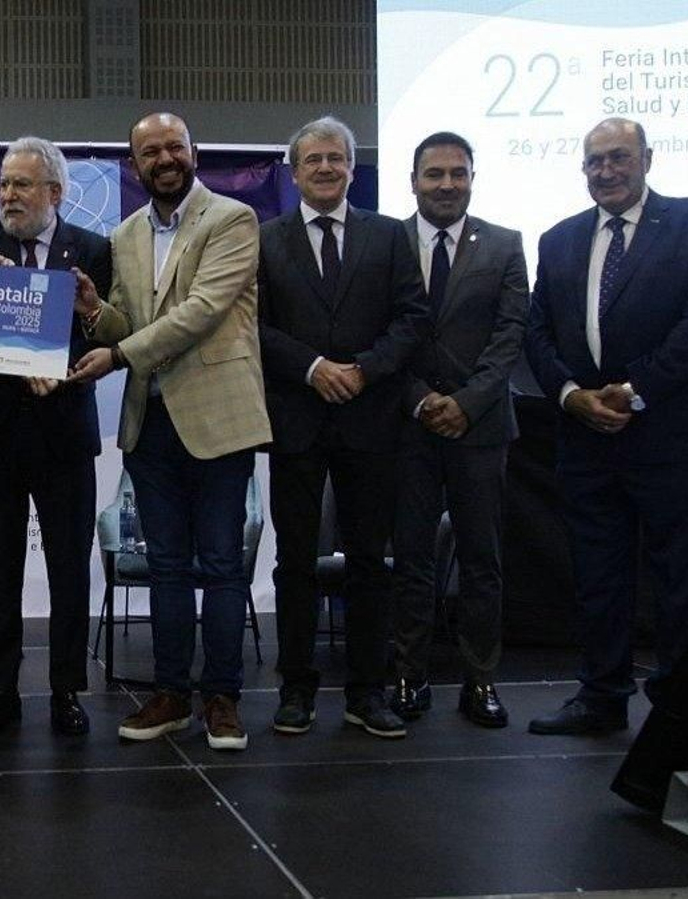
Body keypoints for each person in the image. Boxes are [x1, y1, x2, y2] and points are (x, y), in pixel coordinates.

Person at [522, 117, 688, 735]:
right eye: (595, 162)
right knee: (597, 577)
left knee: (679, 583)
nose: (607, 171)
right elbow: (537, 331)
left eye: (619, 158)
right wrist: (570, 396)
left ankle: (678, 708)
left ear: (647, 159)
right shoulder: (559, 239)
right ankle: (601, 696)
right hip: (587, 439)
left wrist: (631, 391)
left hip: (673, 437)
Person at [70, 112, 271, 750]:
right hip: (149, 421)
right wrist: (94, 313)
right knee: (165, 570)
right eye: (150, 151)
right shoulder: (126, 234)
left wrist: (120, 352)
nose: (164, 158)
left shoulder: (233, 219)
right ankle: (169, 694)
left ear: (193, 153)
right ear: (135, 165)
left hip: (218, 418)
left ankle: (223, 697)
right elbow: (130, 319)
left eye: (174, 147)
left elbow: (202, 311)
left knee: (220, 566)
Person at [256, 116, 428, 739]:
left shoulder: (388, 236)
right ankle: (296, 689)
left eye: (336, 158)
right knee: (294, 562)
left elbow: (412, 319)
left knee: (367, 563)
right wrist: (311, 368)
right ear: (294, 171)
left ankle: (367, 691)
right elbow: (255, 326)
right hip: (296, 421)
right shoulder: (266, 239)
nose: (325, 168)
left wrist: (364, 370)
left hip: (371, 419)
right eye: (313, 160)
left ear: (353, 168)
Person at [0, 137, 111, 736]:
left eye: (21, 185)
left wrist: (63, 375)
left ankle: (67, 690)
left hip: (64, 430)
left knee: (70, 566)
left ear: (55, 193)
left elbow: (108, 335)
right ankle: (0, 690)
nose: (8, 196)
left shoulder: (94, 249)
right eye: (3, 184)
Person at [388, 132, 528, 728]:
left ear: (473, 177)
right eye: (434, 174)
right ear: (413, 180)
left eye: (458, 173)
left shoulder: (505, 244)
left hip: (481, 426)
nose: (447, 184)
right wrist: (422, 400)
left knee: (481, 561)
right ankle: (409, 677)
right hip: (408, 425)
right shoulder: (385, 242)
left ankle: (480, 681)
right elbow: (378, 333)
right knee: (413, 560)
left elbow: (509, 336)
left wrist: (466, 402)